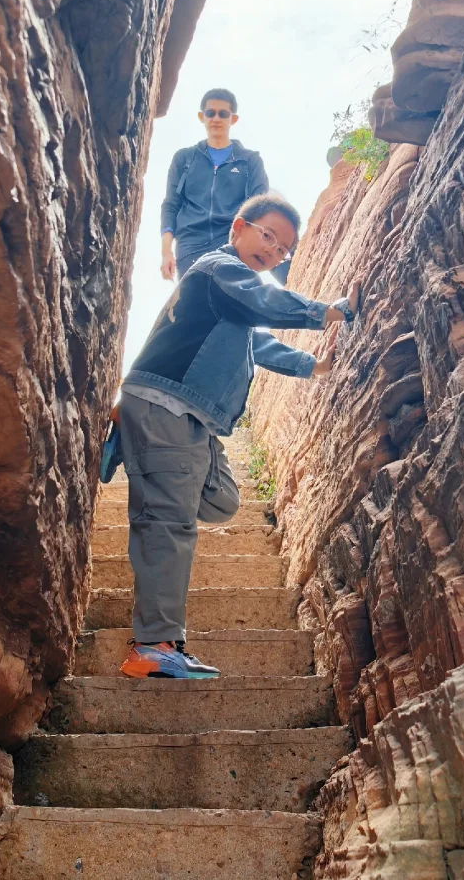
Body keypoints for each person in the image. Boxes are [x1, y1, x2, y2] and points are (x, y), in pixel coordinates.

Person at [117, 192, 360, 680]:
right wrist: (329, 312)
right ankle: (153, 647)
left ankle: (147, 463)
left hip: (193, 417)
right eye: (267, 236)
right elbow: (263, 301)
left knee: (222, 501)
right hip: (168, 404)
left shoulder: (231, 302)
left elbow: (257, 342)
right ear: (238, 229)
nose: (272, 252)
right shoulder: (218, 269)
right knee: (169, 522)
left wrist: (313, 366)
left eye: (282, 250)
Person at [160, 88, 271, 280]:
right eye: (210, 113)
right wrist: (166, 252)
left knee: (230, 304)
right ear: (201, 117)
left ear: (233, 119)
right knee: (196, 302)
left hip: (231, 242)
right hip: (190, 244)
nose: (216, 119)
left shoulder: (250, 161)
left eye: (223, 114)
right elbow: (171, 204)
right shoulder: (184, 158)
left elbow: (259, 208)